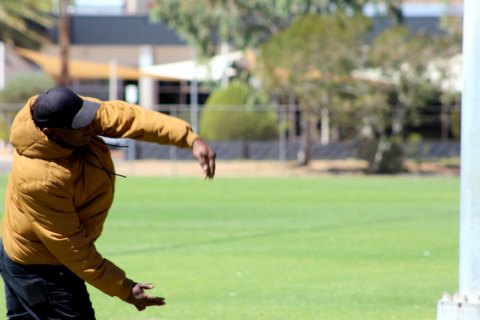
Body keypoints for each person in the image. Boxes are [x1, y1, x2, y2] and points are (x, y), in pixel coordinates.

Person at [0, 86, 216, 319]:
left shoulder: (71, 112)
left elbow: (130, 118)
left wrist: (189, 138)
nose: (89, 126)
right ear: (50, 132)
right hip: (41, 266)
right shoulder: (40, 179)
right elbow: (71, 245)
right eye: (78, 125)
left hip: (39, 255)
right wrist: (123, 287)